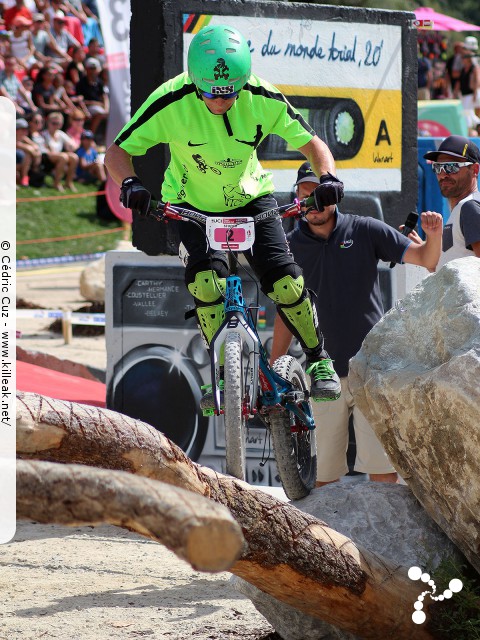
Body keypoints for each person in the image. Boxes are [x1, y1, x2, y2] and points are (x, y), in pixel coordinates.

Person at [105, 23, 346, 409]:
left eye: (229, 94)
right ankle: (222, 374)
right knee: (204, 282)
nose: (220, 102)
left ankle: (319, 360)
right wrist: (130, 183)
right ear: (195, 81)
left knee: (284, 282)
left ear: (242, 81)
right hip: (189, 204)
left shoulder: (260, 96)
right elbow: (117, 153)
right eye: (211, 95)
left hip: (250, 198)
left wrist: (328, 177)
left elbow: (312, 144)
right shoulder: (172, 99)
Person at [270, 161, 443, 487]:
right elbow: (284, 312)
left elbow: (426, 260)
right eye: (306, 196)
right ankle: (324, 540)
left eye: (320, 195)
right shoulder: (288, 248)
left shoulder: (365, 229)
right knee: (320, 477)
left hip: (370, 370)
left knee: (382, 473)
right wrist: (274, 366)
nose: (313, 204)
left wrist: (433, 236)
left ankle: (377, 540)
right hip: (319, 373)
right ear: (296, 198)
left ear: (334, 195)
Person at [423, 135, 480, 268]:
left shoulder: (469, 207)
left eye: (451, 167)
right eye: (438, 167)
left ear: (474, 170)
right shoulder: (460, 211)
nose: (443, 174)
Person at [42, 110, 79, 191]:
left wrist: (71, 146)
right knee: (63, 157)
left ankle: (68, 182)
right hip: (46, 157)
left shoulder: (60, 134)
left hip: (57, 155)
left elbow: (73, 145)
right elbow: (47, 150)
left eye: (58, 123)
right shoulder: (44, 134)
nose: (56, 126)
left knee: (74, 157)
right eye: (53, 123)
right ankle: (56, 183)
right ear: (48, 123)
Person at [75, 56, 108, 136]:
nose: (92, 71)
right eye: (90, 68)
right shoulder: (81, 83)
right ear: (86, 69)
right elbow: (80, 100)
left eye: (94, 68)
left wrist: (106, 108)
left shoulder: (99, 82)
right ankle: (90, 135)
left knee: (105, 113)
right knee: (99, 113)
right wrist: (87, 108)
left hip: (97, 106)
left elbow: (104, 96)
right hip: (85, 107)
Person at [454, 36, 480, 134]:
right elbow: (459, 81)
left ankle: (473, 129)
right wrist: (456, 92)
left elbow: (477, 80)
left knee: (469, 113)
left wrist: (475, 93)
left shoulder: (474, 67)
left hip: (470, 94)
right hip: (464, 94)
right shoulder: (464, 69)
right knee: (467, 114)